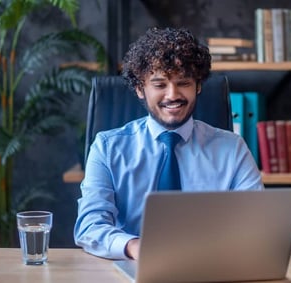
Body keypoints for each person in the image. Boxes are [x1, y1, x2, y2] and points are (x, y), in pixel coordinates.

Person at [74, 27, 264, 260]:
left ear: (198, 86)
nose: (172, 94)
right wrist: (134, 247)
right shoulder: (106, 148)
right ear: (139, 88)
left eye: (183, 82)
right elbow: (89, 227)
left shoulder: (233, 149)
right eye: (160, 84)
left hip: (210, 267)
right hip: (133, 267)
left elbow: (256, 227)